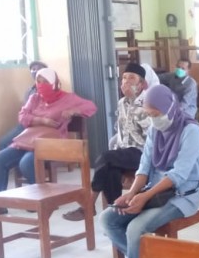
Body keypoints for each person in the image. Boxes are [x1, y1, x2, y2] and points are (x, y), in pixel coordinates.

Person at [100, 84, 199, 258]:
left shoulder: (190, 131)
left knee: (135, 228)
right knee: (107, 219)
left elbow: (178, 175)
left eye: (156, 114)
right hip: (156, 191)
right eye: (149, 115)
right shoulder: (155, 131)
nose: (154, 120)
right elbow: (144, 167)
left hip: (182, 194)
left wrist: (144, 197)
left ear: (169, 107)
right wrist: (131, 194)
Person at [0, 68, 97, 217]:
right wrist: (41, 120)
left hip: (51, 142)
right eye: (38, 81)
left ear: (54, 82)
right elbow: (22, 117)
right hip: (28, 139)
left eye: (45, 81)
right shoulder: (35, 98)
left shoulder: (68, 98)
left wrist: (73, 110)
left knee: (26, 163)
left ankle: (43, 200)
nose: (41, 85)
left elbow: (91, 106)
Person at [63, 62, 150, 221]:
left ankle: (88, 204)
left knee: (106, 157)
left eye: (131, 78)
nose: (126, 81)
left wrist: (133, 101)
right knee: (111, 170)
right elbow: (121, 131)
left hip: (143, 153)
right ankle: (115, 212)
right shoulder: (122, 102)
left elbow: (151, 135)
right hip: (124, 151)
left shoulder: (148, 102)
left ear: (141, 84)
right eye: (124, 78)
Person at [0, 60, 47, 151]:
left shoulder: (50, 89)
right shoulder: (29, 90)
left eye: (39, 69)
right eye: (33, 69)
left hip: (38, 126)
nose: (35, 71)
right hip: (24, 124)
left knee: (9, 144)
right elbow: (24, 110)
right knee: (2, 143)